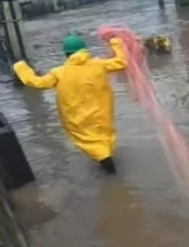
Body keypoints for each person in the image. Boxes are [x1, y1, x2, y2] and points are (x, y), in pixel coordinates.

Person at [12, 33, 127, 174]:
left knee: (89, 140)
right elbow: (121, 62)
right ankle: (108, 162)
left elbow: (37, 82)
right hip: (101, 110)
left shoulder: (59, 72)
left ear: (66, 54)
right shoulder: (99, 64)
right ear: (84, 50)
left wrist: (20, 67)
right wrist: (115, 42)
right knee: (104, 135)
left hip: (77, 115)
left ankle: (108, 165)